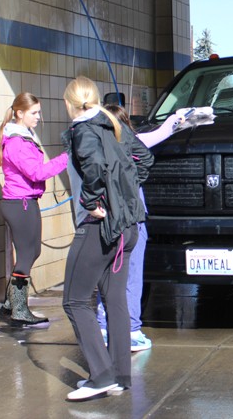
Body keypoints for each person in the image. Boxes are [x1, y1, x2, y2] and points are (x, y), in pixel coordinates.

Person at [61, 77, 153, 401]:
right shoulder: (114, 124)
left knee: (74, 300)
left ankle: (100, 376)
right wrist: (125, 198)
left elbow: (95, 167)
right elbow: (145, 160)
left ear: (70, 103)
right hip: (129, 228)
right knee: (114, 299)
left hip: (100, 228)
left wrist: (94, 202)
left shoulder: (81, 128)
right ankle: (119, 376)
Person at [95, 104, 184, 352]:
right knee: (132, 276)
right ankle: (132, 330)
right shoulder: (134, 143)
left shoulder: (97, 148)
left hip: (105, 220)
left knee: (106, 276)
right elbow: (164, 131)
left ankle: (103, 327)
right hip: (133, 220)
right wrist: (180, 118)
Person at [0, 92, 68, 326]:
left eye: (38, 112)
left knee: (32, 251)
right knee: (27, 254)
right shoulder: (16, 142)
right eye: (34, 113)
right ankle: (19, 309)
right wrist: (68, 157)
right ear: (20, 113)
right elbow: (37, 172)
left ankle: (10, 304)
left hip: (26, 201)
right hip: (19, 203)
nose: (38, 117)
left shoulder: (25, 137)